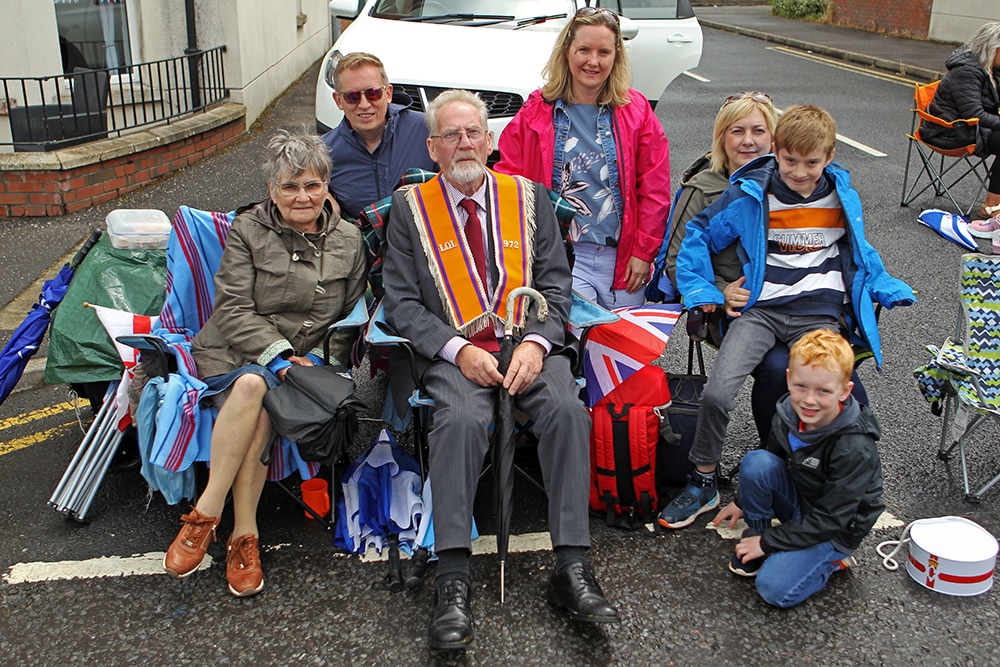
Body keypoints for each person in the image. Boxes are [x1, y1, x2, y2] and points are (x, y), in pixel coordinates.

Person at [382, 89, 618, 650]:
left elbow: (557, 285)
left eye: (473, 133)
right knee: (460, 420)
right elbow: (401, 302)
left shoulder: (530, 199)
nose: (464, 143)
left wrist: (539, 342)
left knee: (565, 409)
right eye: (451, 135)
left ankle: (571, 567)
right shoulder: (408, 211)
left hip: (526, 343)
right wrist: (456, 350)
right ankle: (453, 577)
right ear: (433, 147)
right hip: (456, 352)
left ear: (490, 141)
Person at [659, 104, 914, 531]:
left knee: (837, 395)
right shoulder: (751, 194)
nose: (799, 171)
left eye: (811, 162)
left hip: (820, 315)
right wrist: (706, 291)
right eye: (790, 160)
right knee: (719, 393)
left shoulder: (841, 198)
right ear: (776, 151)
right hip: (763, 311)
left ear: (829, 157)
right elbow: (699, 234)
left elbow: (862, 252)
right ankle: (703, 480)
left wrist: (886, 286)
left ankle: (818, 481)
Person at [162, 130, 367, 597]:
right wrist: (276, 356)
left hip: (302, 362)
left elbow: (351, 316)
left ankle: (215, 523)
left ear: (326, 187)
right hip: (231, 351)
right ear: (272, 190)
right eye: (289, 186)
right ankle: (235, 526)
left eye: (311, 185)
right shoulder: (248, 229)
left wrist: (321, 363)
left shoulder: (350, 240)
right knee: (254, 383)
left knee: (258, 391)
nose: (302, 197)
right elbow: (232, 307)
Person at [659, 92, 866, 443]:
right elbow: (676, 260)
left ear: (774, 138)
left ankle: (817, 463)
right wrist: (721, 290)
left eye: (758, 130)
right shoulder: (703, 189)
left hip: (804, 303)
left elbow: (852, 248)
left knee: (841, 386)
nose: (749, 140)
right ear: (721, 137)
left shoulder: (810, 187)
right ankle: (774, 455)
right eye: (737, 130)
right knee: (776, 368)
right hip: (737, 310)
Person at [494, 7, 671, 309]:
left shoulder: (637, 110)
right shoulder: (536, 111)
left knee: (620, 352)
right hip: (563, 257)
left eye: (603, 52)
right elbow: (510, 181)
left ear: (616, 56)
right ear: (567, 51)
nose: (593, 61)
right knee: (575, 348)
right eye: (584, 50)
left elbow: (655, 188)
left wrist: (643, 253)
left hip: (624, 259)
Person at [712, 329, 884, 608]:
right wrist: (742, 501)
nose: (809, 400)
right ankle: (758, 533)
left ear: (845, 391)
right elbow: (771, 457)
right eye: (801, 386)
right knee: (757, 461)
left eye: (823, 391)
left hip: (834, 529)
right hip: (805, 501)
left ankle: (830, 562)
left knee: (774, 590)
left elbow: (830, 520)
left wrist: (770, 543)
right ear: (789, 378)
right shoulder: (788, 414)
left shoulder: (854, 448)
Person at [321, 52, 437, 219]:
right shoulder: (324, 152)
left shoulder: (426, 129)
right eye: (352, 97)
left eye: (373, 93)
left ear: (388, 93)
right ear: (339, 101)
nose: (364, 104)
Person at [919, 22, 1000, 234]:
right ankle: (991, 207)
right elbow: (976, 114)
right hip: (950, 131)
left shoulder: (992, 69)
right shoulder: (967, 72)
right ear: (991, 49)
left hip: (972, 128)